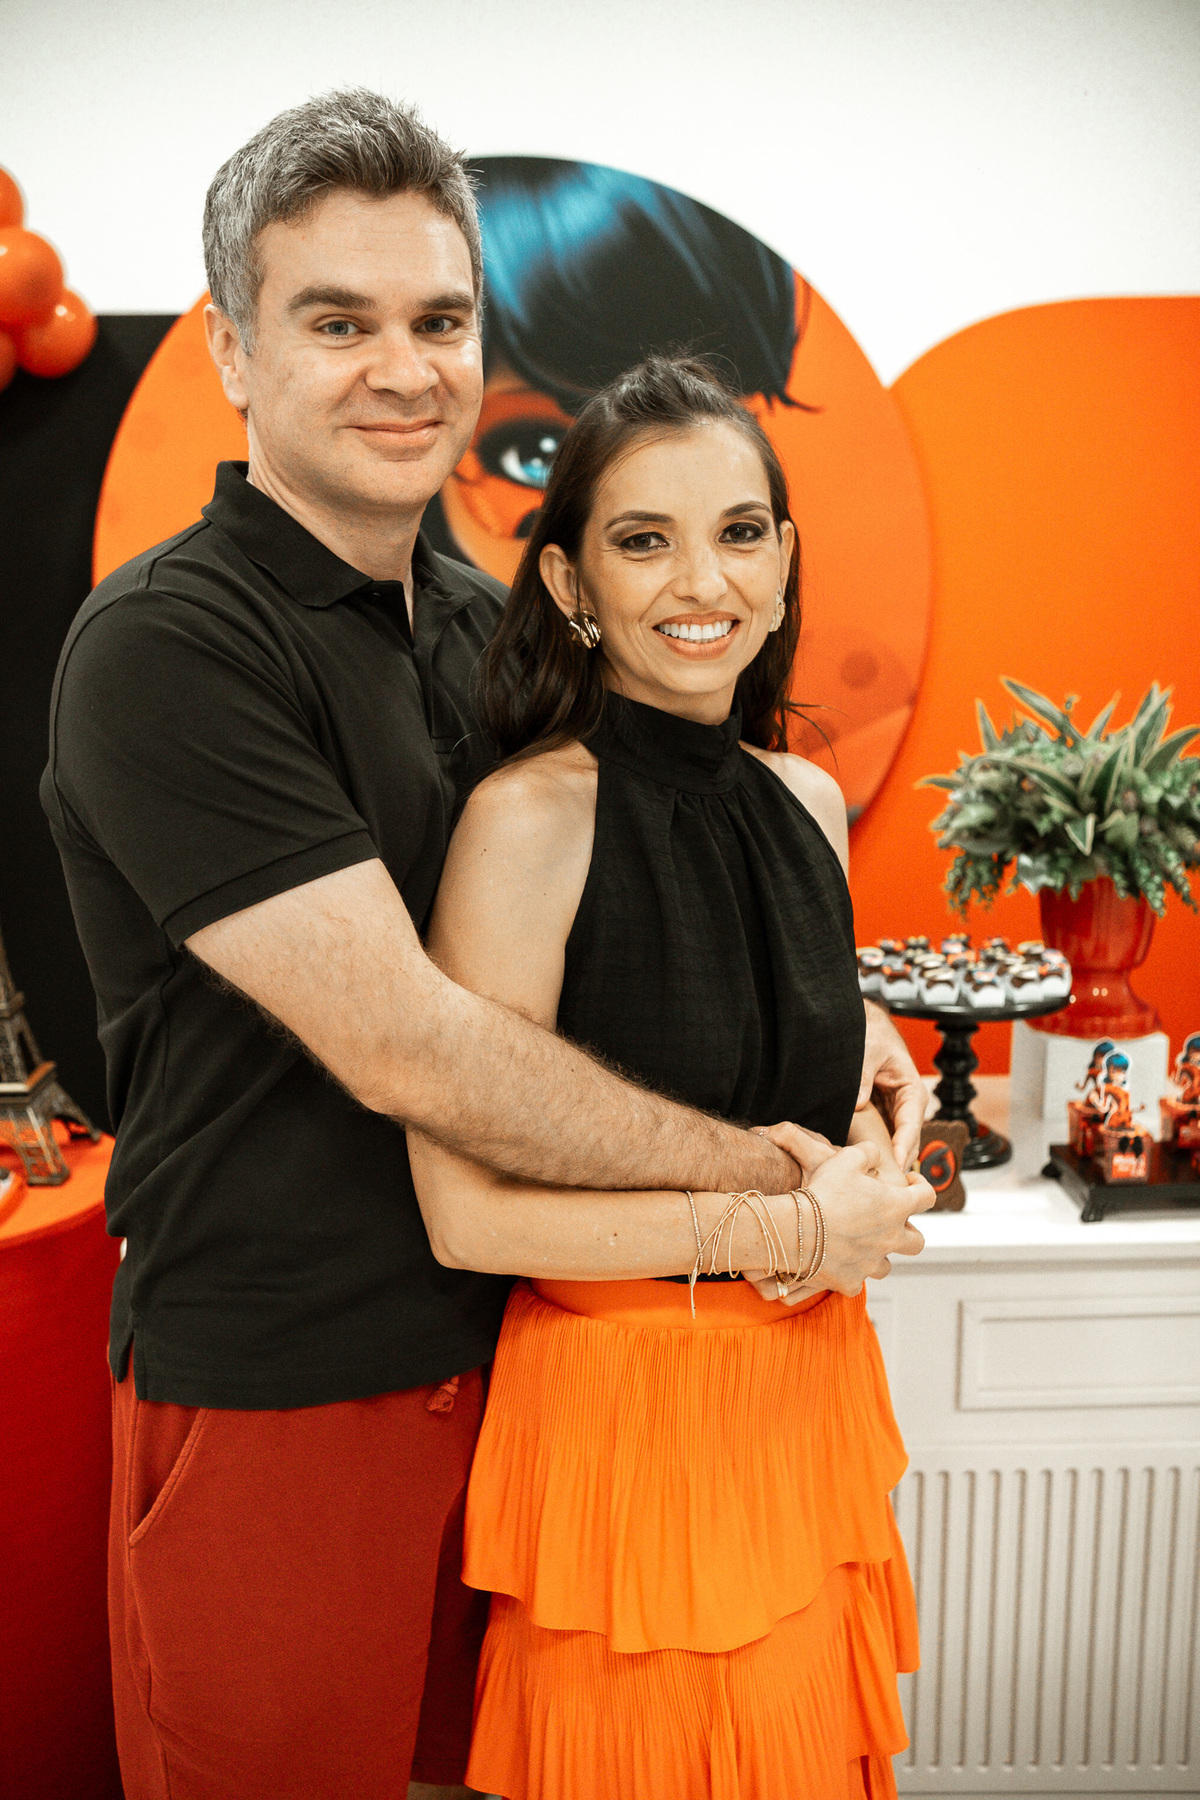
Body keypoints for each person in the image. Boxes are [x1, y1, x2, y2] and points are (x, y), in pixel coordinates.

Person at [42, 90, 925, 1800]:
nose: (403, 368)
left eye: (438, 320)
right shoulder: (170, 645)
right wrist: (775, 1181)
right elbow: (413, 1045)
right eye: (338, 322)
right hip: (293, 1387)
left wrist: (841, 1015)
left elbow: (645, 898)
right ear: (231, 351)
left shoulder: (477, 625)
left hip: (530, 1376)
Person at [409, 355, 932, 1799]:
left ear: (785, 560)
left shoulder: (809, 800)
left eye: (739, 531)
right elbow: (466, 1216)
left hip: (810, 1396)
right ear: (570, 582)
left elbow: (798, 1082)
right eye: (646, 540)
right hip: (622, 1429)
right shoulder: (527, 820)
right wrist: (790, 1229)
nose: (704, 580)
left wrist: (879, 1123)